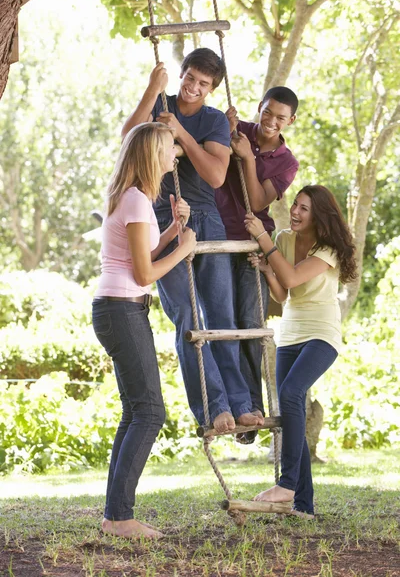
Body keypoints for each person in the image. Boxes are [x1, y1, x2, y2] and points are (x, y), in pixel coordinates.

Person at [121, 48, 263, 434]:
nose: (193, 88)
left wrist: (180, 133)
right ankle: (214, 407)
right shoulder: (160, 103)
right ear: (181, 73)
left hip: (206, 219)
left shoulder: (214, 120)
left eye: (203, 84)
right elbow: (127, 139)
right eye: (189, 79)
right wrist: (153, 89)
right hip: (164, 217)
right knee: (188, 316)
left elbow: (216, 176)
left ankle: (242, 403)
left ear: (212, 88)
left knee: (221, 317)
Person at [92, 122, 197, 539]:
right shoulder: (135, 202)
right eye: (171, 149)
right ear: (153, 154)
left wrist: (172, 232)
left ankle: (114, 515)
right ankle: (120, 518)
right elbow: (144, 272)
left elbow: (141, 257)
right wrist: (185, 249)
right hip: (122, 309)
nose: (175, 155)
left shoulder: (131, 199)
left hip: (118, 308)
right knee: (151, 412)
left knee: (136, 411)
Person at [244, 185, 357, 517]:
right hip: (290, 334)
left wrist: (263, 240)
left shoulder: (329, 249)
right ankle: (303, 506)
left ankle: (288, 483)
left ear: (318, 214)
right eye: (295, 205)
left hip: (321, 335)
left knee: (292, 393)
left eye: (304, 209)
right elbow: (283, 294)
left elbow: (292, 278)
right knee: (290, 412)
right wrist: (267, 269)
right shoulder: (284, 240)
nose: (295, 211)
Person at [215, 87, 299, 442]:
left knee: (251, 324)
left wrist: (248, 159)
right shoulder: (238, 130)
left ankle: (254, 408)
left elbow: (260, 200)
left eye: (280, 117)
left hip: (252, 241)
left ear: (290, 121)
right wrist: (225, 127)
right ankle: (234, 407)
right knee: (222, 325)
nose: (271, 122)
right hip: (217, 237)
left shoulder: (287, 161)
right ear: (260, 108)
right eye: (267, 113)